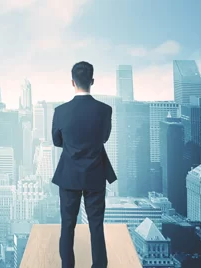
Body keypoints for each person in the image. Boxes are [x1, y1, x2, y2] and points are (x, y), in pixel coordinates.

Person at [51, 61, 116, 268]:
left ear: (72, 82)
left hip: (69, 175)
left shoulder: (60, 111)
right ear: (92, 81)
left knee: (67, 225)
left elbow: (56, 141)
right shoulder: (105, 110)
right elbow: (104, 138)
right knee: (96, 226)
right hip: (95, 174)